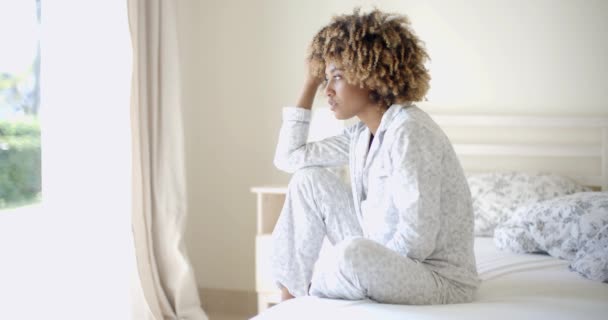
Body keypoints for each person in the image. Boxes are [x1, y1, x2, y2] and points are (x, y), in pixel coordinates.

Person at [271, 8, 479, 305]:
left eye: (337, 77)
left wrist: (361, 264)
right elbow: (290, 158)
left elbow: (417, 241)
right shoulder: (359, 135)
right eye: (325, 80)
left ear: (371, 76)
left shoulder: (410, 132)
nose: (327, 90)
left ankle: (313, 287)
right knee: (308, 180)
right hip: (384, 254)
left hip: (434, 278)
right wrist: (308, 83)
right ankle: (289, 296)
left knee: (351, 255)